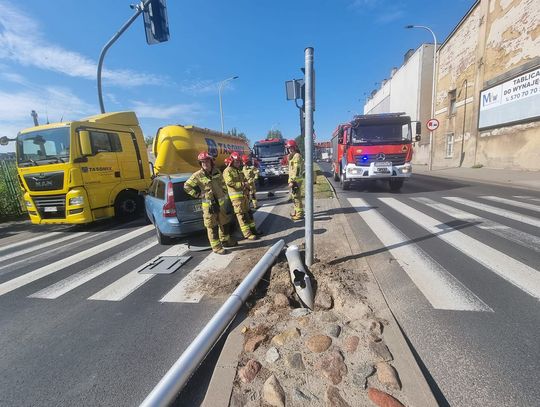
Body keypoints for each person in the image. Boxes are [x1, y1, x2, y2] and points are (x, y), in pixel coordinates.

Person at [184, 152, 237, 254]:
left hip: (220, 204)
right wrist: (198, 195)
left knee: (224, 223)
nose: (205, 163)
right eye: (202, 162)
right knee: (212, 226)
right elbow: (186, 186)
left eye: (207, 161)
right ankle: (216, 248)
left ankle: (226, 241)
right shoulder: (197, 175)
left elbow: (223, 183)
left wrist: (224, 193)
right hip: (209, 206)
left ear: (211, 162)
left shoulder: (216, 171)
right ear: (200, 163)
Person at [223, 152, 259, 240]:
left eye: (239, 161)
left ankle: (254, 230)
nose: (238, 163)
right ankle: (247, 234)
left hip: (244, 196)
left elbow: (245, 180)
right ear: (231, 161)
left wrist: (247, 187)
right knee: (241, 216)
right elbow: (229, 182)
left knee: (249, 214)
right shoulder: (228, 170)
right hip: (236, 198)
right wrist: (242, 184)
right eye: (236, 161)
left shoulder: (238, 170)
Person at [286, 139, 304, 220]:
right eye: (289, 148)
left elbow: (297, 169)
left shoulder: (297, 156)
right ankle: (297, 212)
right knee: (295, 197)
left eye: (291, 148)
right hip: (295, 180)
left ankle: (299, 214)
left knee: (296, 197)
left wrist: (293, 181)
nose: (289, 150)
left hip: (296, 181)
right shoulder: (293, 156)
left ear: (294, 148)